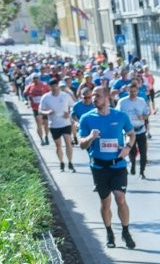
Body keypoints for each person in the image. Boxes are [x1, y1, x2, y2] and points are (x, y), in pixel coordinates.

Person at [77, 85, 136, 249]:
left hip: (117, 165)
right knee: (105, 202)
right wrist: (90, 137)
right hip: (99, 166)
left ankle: (125, 231)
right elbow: (81, 144)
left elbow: (132, 135)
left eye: (97, 95)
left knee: (120, 198)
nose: (94, 98)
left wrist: (128, 148)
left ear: (107, 97)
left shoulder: (121, 116)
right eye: (92, 96)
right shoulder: (87, 118)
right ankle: (109, 231)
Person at [39, 77, 76, 172]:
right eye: (53, 86)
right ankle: (61, 162)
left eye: (56, 85)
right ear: (49, 87)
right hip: (54, 125)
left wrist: (69, 113)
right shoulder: (46, 97)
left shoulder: (65, 96)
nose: (55, 88)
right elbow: (40, 110)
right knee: (58, 145)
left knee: (68, 142)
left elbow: (73, 106)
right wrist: (47, 113)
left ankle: (70, 163)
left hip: (65, 123)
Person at [118, 80, 152, 179]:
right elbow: (118, 114)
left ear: (137, 91)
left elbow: (148, 113)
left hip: (141, 129)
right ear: (127, 91)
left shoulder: (141, 101)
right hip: (129, 131)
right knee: (132, 152)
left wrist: (144, 117)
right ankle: (132, 164)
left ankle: (142, 172)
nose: (133, 93)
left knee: (143, 152)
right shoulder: (122, 102)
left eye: (134, 91)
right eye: (131, 91)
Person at [24, 73, 50, 145]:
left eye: (37, 78)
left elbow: (50, 93)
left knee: (46, 123)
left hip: (44, 107)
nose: (35, 79)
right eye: (34, 78)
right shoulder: (30, 86)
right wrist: (29, 100)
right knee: (38, 122)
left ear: (39, 78)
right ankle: (41, 139)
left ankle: (46, 137)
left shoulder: (44, 85)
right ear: (32, 79)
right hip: (35, 107)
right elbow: (25, 93)